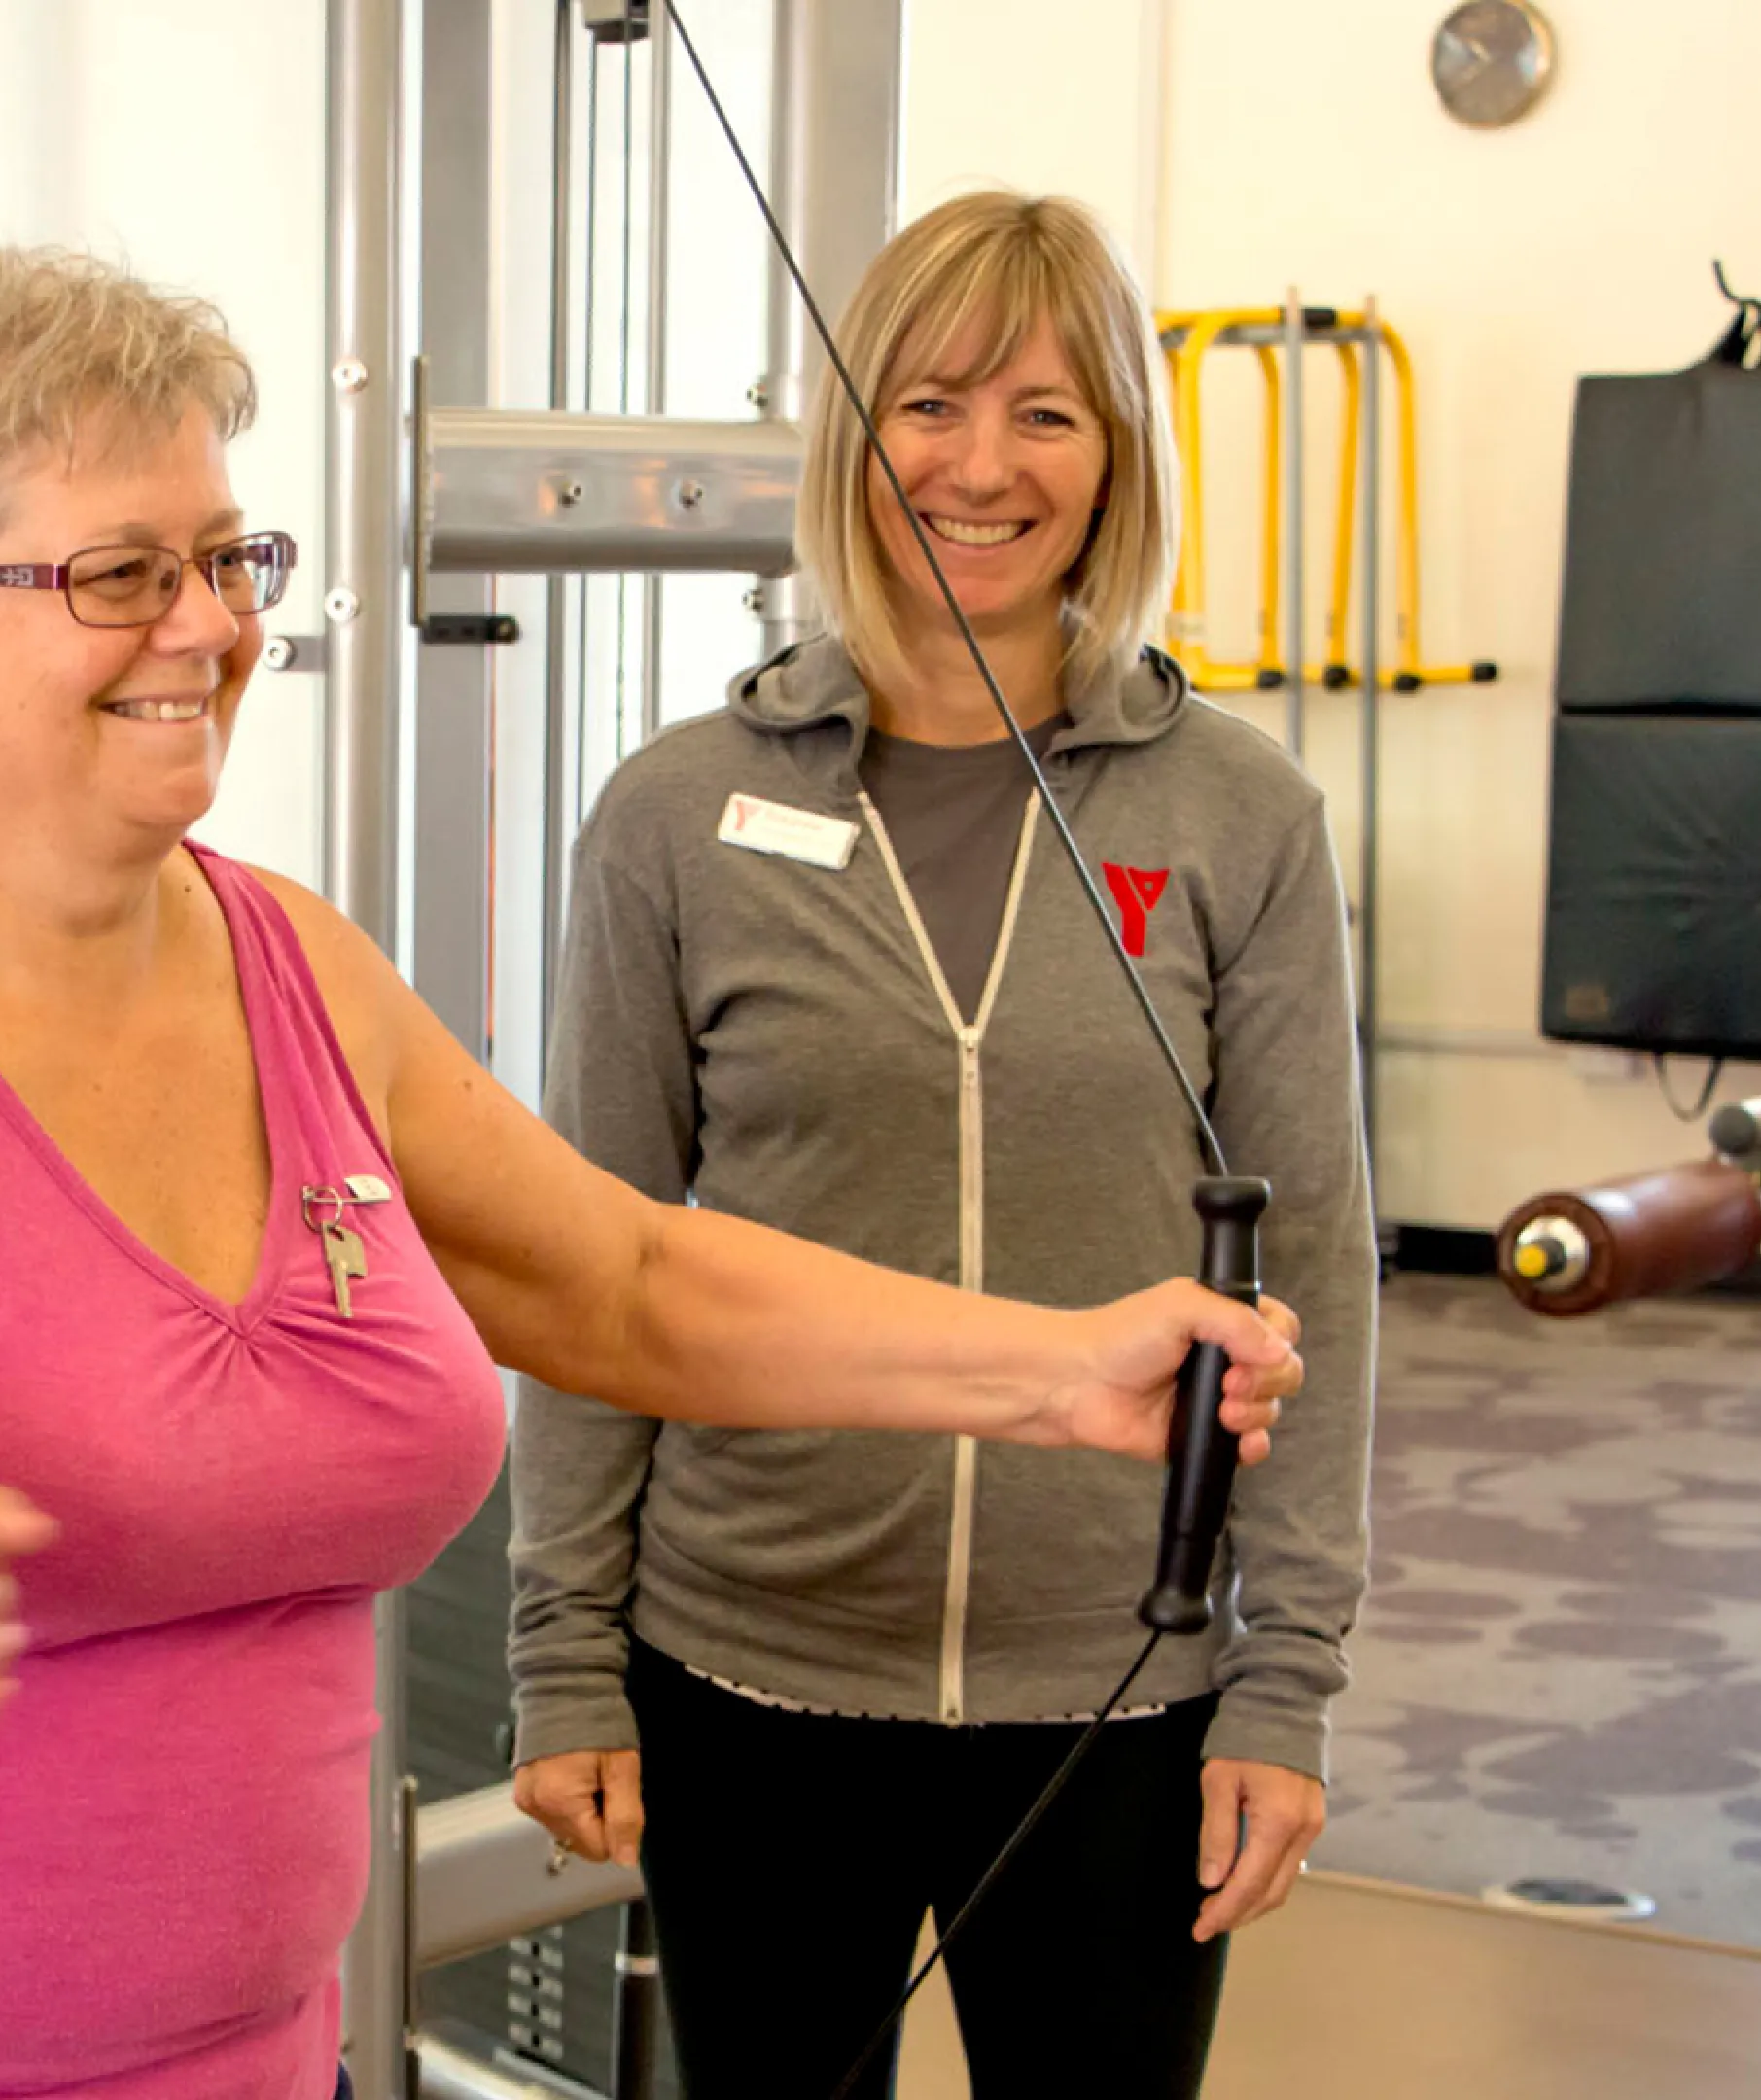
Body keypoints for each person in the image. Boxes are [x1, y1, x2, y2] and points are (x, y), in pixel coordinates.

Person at [0, 245, 1302, 2100]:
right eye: (119, 573)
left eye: (224, 557)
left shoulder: (284, 957)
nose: (211, 626)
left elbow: (621, 1281)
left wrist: (1056, 1371)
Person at [506, 190, 1377, 2099]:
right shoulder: (676, 817)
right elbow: (596, 1264)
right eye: (932, 405)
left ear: (1116, 456)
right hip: (749, 1668)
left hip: (1122, 1681)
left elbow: (1315, 1264)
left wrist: (1287, 1682)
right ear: (856, 432)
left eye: (1046, 413)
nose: (983, 469)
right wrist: (566, 1646)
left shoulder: (1240, 819)